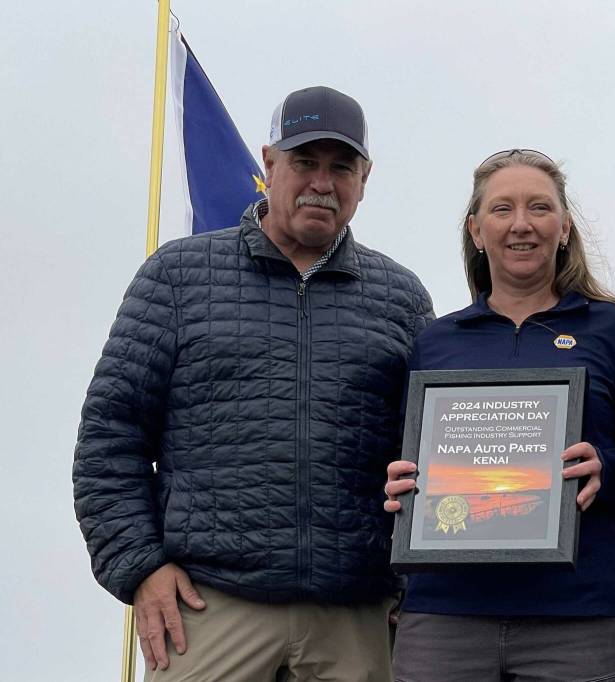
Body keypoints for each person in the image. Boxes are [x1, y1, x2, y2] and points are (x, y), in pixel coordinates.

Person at [73, 86, 433, 681]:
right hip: (209, 609)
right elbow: (111, 438)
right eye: (304, 162)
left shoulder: (402, 297)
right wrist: (139, 567)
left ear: (365, 179)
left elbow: (425, 450)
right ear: (270, 164)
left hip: (358, 618)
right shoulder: (177, 275)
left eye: (341, 167)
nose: (322, 182)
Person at [384, 149, 615, 682]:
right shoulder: (435, 342)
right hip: (445, 615)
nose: (522, 225)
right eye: (502, 209)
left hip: (579, 615)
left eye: (539, 208)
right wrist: (400, 486)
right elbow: (405, 463)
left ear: (564, 227)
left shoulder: (614, 330)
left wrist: (609, 468)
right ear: (476, 230)